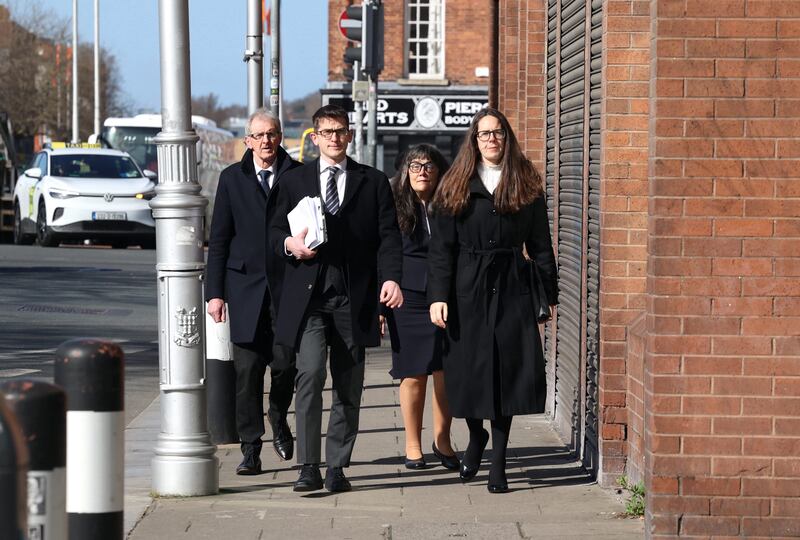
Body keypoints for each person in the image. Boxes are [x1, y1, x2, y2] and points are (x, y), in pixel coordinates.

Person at [270, 104, 403, 493]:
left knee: (349, 386)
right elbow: (273, 231)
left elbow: (388, 236)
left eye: (340, 131)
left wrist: (391, 279)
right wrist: (289, 244)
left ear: (349, 135)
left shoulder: (373, 181)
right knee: (309, 374)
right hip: (308, 299)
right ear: (314, 138)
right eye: (326, 131)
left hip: (354, 298)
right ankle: (308, 465)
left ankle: (336, 468)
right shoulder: (293, 180)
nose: (333, 138)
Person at [427, 108, 558, 493]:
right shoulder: (456, 183)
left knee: (506, 374)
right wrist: (438, 297)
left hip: (512, 286)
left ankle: (497, 462)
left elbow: (541, 246)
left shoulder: (526, 182)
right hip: (466, 289)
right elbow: (441, 250)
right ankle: (475, 436)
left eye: (497, 132)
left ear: (507, 137)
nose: (491, 139)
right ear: (474, 139)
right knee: (467, 373)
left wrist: (548, 294)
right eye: (484, 134)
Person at [206, 108, 300, 475]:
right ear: (247, 141)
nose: (266, 142)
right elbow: (219, 240)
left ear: (280, 137)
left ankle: (278, 417)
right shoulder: (232, 179)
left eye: (272, 134)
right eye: (259, 136)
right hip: (244, 290)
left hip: (286, 289)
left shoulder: (296, 175)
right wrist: (215, 294)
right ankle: (250, 447)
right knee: (246, 374)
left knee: (285, 365)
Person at [382, 144, 459, 471]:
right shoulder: (392, 205)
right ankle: (412, 443)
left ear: (440, 171)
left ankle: (442, 439)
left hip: (447, 295)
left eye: (428, 165)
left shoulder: (451, 205)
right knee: (413, 373)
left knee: (446, 373)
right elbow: (383, 253)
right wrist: (381, 304)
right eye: (415, 166)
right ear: (405, 172)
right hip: (407, 296)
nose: (422, 171)